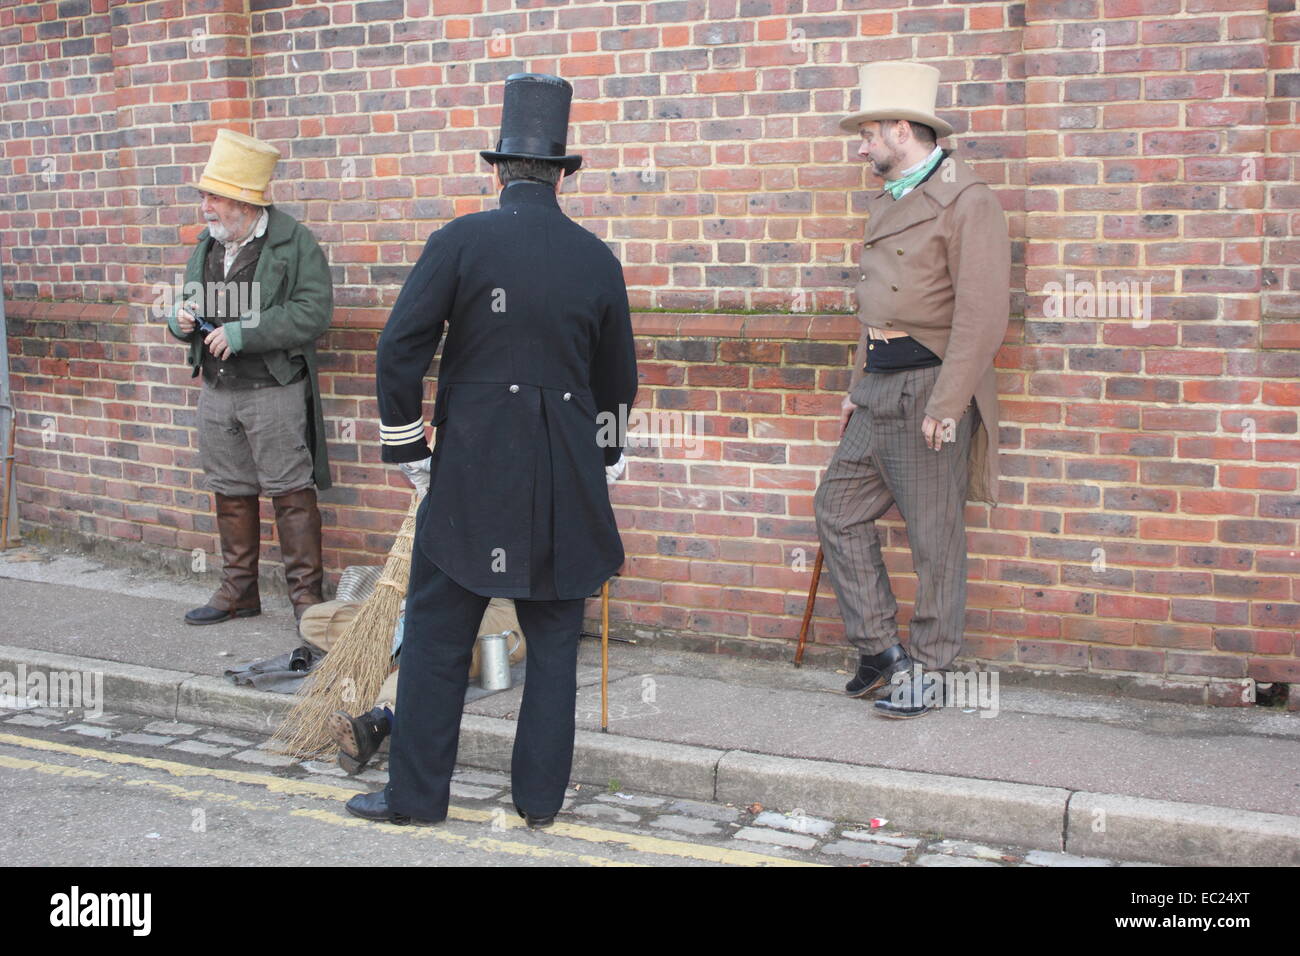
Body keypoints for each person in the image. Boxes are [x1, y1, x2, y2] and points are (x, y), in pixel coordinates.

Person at [346, 73, 638, 827]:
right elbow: (617, 381)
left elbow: (397, 351)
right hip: (567, 480)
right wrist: (607, 454)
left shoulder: (461, 241)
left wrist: (409, 447)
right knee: (551, 656)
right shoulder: (597, 258)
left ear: (497, 169)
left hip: (471, 472)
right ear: (564, 172)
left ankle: (416, 798)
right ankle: (539, 804)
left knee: (440, 642)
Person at [813, 61, 1011, 719]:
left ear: (902, 129)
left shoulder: (967, 199)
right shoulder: (893, 194)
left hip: (930, 387)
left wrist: (950, 404)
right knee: (836, 510)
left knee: (934, 540)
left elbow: (983, 315)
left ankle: (928, 669)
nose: (860, 145)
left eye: (868, 132)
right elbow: (874, 305)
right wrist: (854, 383)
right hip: (879, 387)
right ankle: (880, 653)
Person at [166, 129, 334, 628]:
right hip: (218, 390)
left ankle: (307, 600)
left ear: (244, 202)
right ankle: (239, 590)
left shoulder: (293, 241)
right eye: (204, 196)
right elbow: (190, 304)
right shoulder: (208, 245)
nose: (206, 207)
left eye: (214, 197)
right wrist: (178, 320)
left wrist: (244, 333)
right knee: (230, 489)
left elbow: (314, 311)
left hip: (273, 388)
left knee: (290, 491)